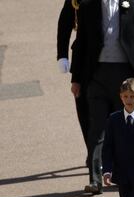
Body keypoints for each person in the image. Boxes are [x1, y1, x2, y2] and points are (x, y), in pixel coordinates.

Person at [70, 0, 134, 195]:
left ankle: (122, 174)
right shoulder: (88, 6)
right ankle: (95, 180)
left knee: (122, 127)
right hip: (97, 75)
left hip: (124, 75)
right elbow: (80, 43)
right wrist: (76, 79)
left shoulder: (133, 4)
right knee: (96, 128)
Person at [57, 0, 89, 156]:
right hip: (83, 57)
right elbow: (65, 22)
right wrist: (62, 55)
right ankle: (93, 149)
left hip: (112, 57)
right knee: (83, 105)